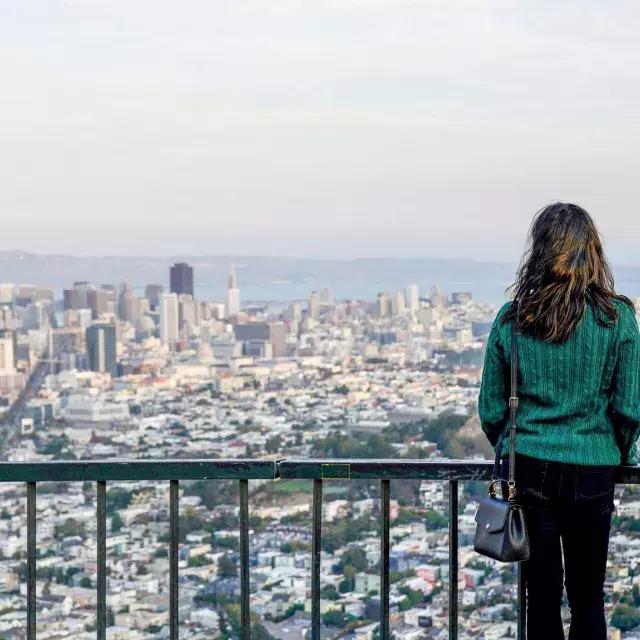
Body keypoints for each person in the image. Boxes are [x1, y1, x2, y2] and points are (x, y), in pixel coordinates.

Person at [478, 202, 640, 640]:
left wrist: (519, 439)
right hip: (594, 468)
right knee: (588, 598)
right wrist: (618, 453)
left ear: (539, 250)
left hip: (530, 465)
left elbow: (491, 409)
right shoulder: (618, 318)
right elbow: (629, 408)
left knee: (541, 597)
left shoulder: (513, 320)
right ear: (593, 252)